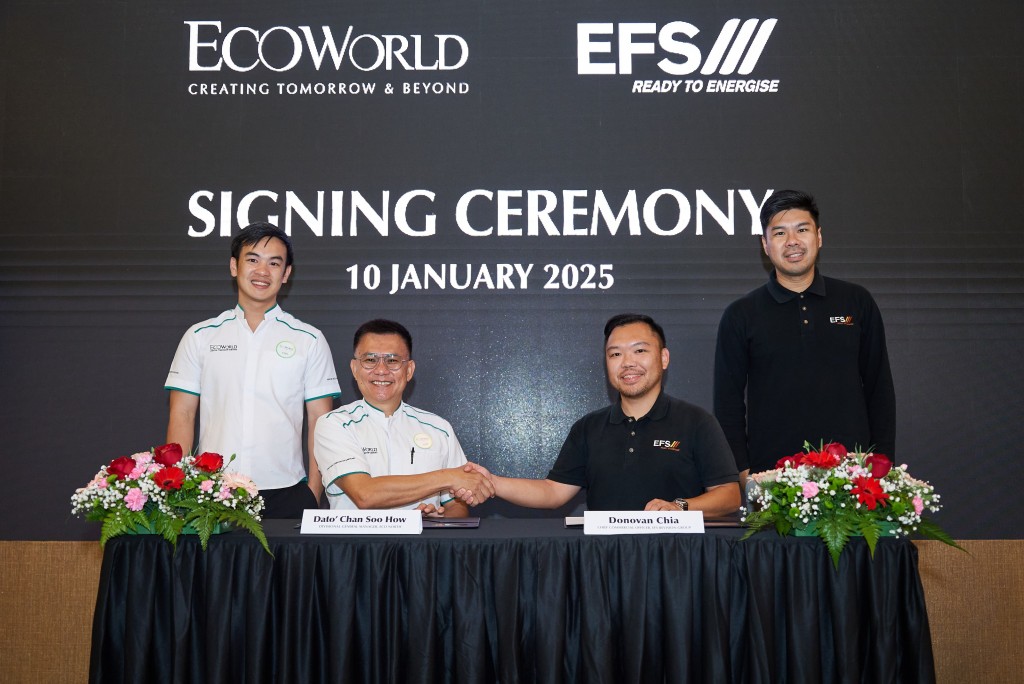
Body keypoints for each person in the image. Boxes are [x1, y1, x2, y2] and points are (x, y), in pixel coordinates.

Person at [464, 314, 740, 514]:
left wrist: (679, 507)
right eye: (615, 354)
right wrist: (492, 482)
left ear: (664, 358)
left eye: (640, 351)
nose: (628, 363)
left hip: (676, 561)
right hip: (603, 563)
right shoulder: (588, 428)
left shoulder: (696, 421)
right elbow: (553, 491)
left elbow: (729, 495)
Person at [714, 189, 896, 483]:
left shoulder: (856, 301)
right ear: (765, 244)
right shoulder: (741, 314)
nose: (792, 241)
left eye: (802, 229)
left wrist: (881, 468)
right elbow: (727, 404)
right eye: (780, 233)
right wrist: (745, 474)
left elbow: (880, 389)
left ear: (819, 236)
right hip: (773, 478)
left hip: (852, 475)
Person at [164, 222, 341, 518]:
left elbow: (319, 421)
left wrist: (312, 491)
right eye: (253, 260)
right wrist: (177, 490)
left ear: (286, 274)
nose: (262, 271)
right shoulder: (200, 336)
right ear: (234, 266)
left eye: (274, 263)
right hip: (211, 491)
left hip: (287, 492)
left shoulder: (309, 339)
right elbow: (182, 414)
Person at [315, 319, 494, 515]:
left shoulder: (439, 428)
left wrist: (437, 521)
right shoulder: (335, 424)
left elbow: (457, 506)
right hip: (356, 536)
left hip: (423, 537)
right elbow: (365, 495)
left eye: (392, 360)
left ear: (409, 370)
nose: (381, 370)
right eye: (370, 360)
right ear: (355, 369)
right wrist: (448, 477)